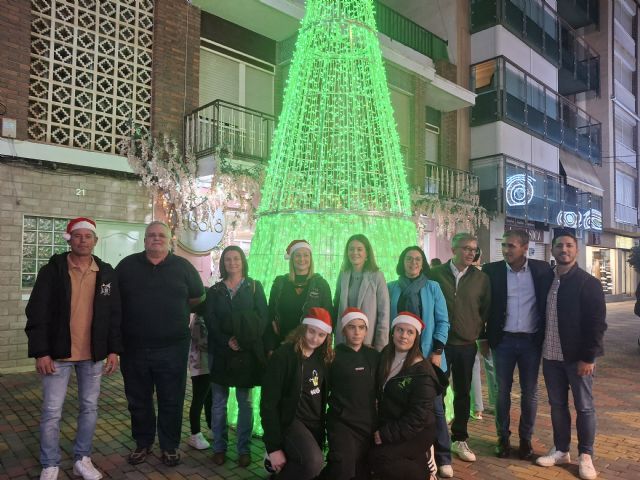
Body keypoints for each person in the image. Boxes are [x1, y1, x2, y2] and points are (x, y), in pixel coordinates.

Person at [25, 217, 122, 480]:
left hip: (93, 355)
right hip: (58, 355)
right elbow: (37, 312)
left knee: (89, 407)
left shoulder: (106, 273)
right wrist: (41, 351)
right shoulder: (53, 271)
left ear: (95, 241)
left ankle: (82, 458)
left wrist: (113, 350)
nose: (83, 240)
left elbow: (114, 315)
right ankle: (50, 463)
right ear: (69, 239)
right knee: (51, 411)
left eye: (87, 236)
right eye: (78, 236)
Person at [116, 221, 205, 467]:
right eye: (151, 235)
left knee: (171, 399)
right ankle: (143, 443)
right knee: (138, 399)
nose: (156, 239)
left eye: (161, 235)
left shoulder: (183, 267)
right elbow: (114, 303)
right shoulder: (126, 267)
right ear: (145, 240)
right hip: (133, 348)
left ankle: (169, 446)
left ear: (169, 240)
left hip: (172, 349)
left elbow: (198, 297)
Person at [535, 231, 607, 480]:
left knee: (584, 407)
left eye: (568, 245)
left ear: (576, 250)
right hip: (551, 355)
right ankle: (561, 450)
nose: (563, 249)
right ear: (553, 250)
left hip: (578, 359)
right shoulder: (546, 280)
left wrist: (589, 357)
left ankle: (585, 456)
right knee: (557, 405)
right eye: (559, 245)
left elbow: (597, 324)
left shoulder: (589, 283)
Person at [481, 230, 554, 460]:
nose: (506, 250)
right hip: (502, 341)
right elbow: (483, 306)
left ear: (525, 247)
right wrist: (483, 337)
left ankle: (525, 440)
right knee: (501, 392)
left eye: (511, 246)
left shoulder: (542, 271)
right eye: (503, 245)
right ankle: (503, 438)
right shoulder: (491, 271)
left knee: (530, 393)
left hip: (530, 342)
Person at [387, 246, 453, 478]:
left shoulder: (433, 288)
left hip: (427, 357)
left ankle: (444, 456)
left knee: (435, 408)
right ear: (402, 262)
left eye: (417, 259)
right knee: (403, 407)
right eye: (408, 259)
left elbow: (443, 321)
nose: (413, 262)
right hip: (398, 358)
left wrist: (437, 350)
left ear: (422, 262)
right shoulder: (391, 288)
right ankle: (414, 452)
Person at [429, 233, 491, 463]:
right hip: (440, 346)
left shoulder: (481, 279)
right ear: (453, 249)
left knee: (463, 393)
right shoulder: (435, 274)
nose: (470, 253)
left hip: (466, 345)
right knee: (437, 392)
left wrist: (475, 331)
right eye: (466, 248)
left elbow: (485, 310)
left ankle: (460, 437)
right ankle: (436, 437)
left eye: (474, 249)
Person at [205, 246, 268, 467]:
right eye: (228, 259)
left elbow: (263, 318)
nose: (232, 263)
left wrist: (242, 340)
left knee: (246, 403)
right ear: (223, 263)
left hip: (246, 352)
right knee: (218, 403)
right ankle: (219, 448)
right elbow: (210, 321)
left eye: (236, 258)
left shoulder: (253, 287)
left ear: (243, 261)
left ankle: (244, 449)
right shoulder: (215, 291)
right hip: (221, 352)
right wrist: (226, 340)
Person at [369, 312, 445, 480]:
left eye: (410, 332)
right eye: (399, 330)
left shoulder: (422, 372)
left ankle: (425, 474)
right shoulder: (386, 354)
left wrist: (386, 434)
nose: (403, 336)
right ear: (393, 332)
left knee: (381, 458)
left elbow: (418, 417)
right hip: (394, 423)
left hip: (418, 431)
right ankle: (420, 460)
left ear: (416, 337)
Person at [260, 307, 334, 480]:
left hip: (314, 423)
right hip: (291, 420)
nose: (315, 339)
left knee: (308, 467)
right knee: (314, 463)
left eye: (321, 335)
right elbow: (268, 403)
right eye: (312, 331)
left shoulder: (323, 357)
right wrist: (273, 447)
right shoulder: (283, 356)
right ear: (303, 328)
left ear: (327, 337)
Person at [324, 307, 380, 480]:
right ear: (343, 330)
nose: (357, 332)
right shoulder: (333, 356)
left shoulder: (374, 356)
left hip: (368, 423)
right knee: (344, 470)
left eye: (361, 327)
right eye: (351, 327)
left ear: (366, 330)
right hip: (342, 423)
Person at [265, 240, 332, 352]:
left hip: (311, 346)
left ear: (310, 259)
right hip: (282, 344)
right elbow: (270, 314)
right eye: (298, 255)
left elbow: (329, 315)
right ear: (292, 259)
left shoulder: (321, 284)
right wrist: (270, 347)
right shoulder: (280, 283)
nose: (302, 259)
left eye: (306, 255)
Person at [333, 234, 390, 351]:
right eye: (351, 249)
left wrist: (380, 346)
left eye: (359, 249)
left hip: (368, 342)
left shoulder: (377, 276)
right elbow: (336, 303)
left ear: (367, 253)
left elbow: (384, 313)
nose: (355, 252)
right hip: (344, 340)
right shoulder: (343, 274)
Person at [185, 313, 212, 451]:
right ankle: (195, 433)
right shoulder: (199, 319)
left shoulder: (200, 317)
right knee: (198, 399)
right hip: (200, 366)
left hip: (205, 364)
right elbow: (203, 342)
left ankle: (211, 426)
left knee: (208, 396)